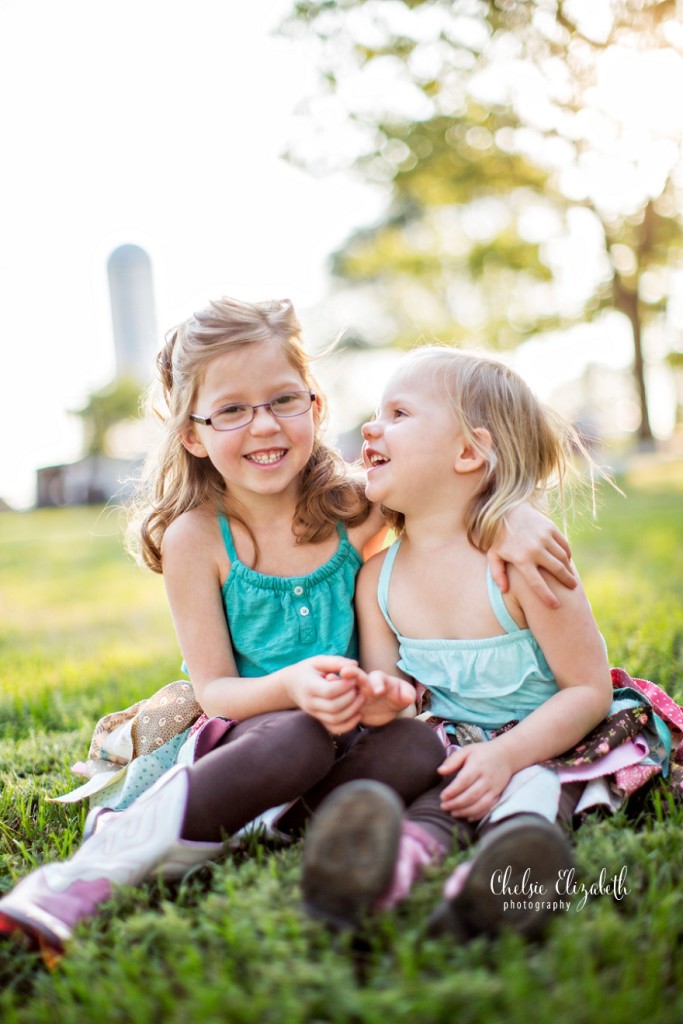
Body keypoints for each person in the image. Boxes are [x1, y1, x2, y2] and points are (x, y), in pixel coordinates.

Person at [0, 301, 575, 960]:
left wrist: (513, 520)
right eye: (231, 410)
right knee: (299, 737)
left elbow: (449, 492)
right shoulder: (196, 538)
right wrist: (293, 687)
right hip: (254, 737)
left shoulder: (359, 508)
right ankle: (91, 873)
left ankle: (319, 843)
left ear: (315, 405)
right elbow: (216, 690)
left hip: (353, 738)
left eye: (281, 400)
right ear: (192, 434)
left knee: (417, 751)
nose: (263, 425)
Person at [301, 344, 667, 939]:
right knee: (442, 800)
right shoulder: (377, 580)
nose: (372, 426)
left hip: (549, 737)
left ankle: (506, 883)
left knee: (536, 791)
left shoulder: (522, 564)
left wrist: (507, 755)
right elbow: (396, 698)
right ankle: (374, 875)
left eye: (399, 414)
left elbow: (586, 691)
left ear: (468, 452)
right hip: (454, 743)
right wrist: (378, 698)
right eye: (377, 412)